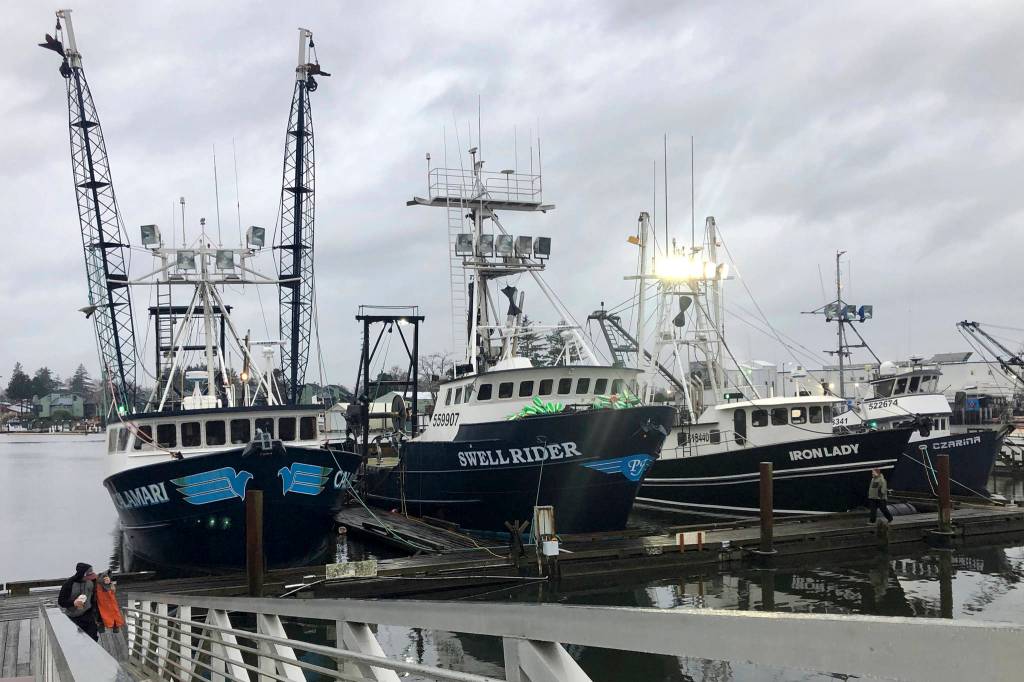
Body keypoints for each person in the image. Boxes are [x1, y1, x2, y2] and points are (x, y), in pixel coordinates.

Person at [57, 562, 101, 641]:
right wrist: (73, 603)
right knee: (77, 641)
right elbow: (61, 601)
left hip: (88, 614)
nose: (91, 578)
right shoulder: (68, 584)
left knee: (93, 639)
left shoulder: (91, 582)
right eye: (89, 576)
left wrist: (97, 617)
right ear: (82, 575)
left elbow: (94, 598)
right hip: (73, 617)